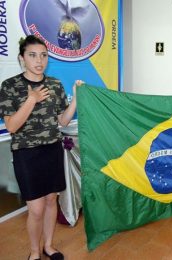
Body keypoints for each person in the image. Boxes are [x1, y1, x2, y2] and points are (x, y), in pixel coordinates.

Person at [0, 35, 83, 260]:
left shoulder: (54, 84)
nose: (39, 60)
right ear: (21, 58)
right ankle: (35, 252)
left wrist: (75, 99)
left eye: (44, 55)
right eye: (32, 55)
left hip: (52, 150)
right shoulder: (10, 86)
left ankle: (48, 246)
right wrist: (31, 100)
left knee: (50, 201)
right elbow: (12, 127)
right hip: (26, 154)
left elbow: (62, 121)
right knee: (35, 209)